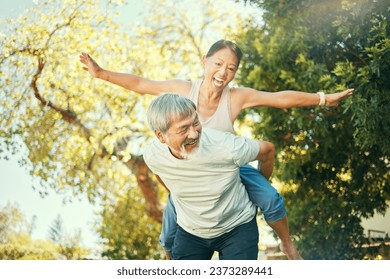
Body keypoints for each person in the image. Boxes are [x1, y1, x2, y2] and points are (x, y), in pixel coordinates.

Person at [79, 39, 353, 260]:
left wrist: (323, 99)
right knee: (170, 231)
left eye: (231, 68)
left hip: (228, 168)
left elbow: (280, 98)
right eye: (218, 64)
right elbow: (141, 84)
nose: (223, 73)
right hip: (190, 172)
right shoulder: (183, 90)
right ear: (204, 62)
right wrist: (100, 73)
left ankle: (288, 245)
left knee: (270, 199)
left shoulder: (236, 97)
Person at [144, 93, 262, 259]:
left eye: (196, 123)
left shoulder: (227, 147)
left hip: (238, 226)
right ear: (160, 136)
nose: (193, 134)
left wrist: (260, 184)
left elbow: (268, 150)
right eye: (183, 129)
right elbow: (160, 174)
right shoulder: (152, 156)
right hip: (191, 231)